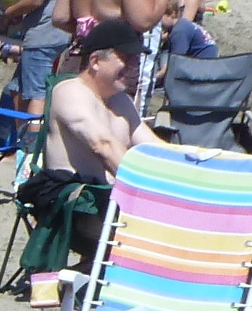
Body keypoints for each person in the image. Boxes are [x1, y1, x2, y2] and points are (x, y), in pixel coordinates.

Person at [25, 17, 160, 267]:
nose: (134, 67)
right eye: (126, 59)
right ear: (96, 61)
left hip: (112, 201)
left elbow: (154, 148)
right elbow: (102, 145)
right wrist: (152, 189)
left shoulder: (121, 101)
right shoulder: (70, 92)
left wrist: (194, 168)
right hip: (77, 208)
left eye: (137, 61)